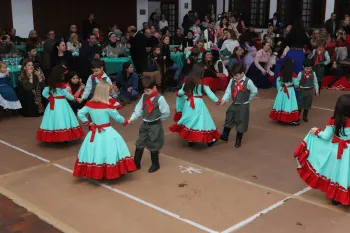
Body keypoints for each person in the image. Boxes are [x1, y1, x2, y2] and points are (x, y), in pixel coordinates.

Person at [73, 81, 136, 180]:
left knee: (95, 152)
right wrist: (126, 121)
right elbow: (118, 118)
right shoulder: (108, 105)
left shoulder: (89, 103)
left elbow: (80, 113)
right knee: (110, 151)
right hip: (107, 131)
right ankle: (109, 173)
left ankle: (97, 173)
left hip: (94, 132)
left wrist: (88, 123)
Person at [294, 94, 350, 206]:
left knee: (338, 173)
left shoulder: (333, 121)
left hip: (337, 152)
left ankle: (337, 197)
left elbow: (325, 136)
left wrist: (316, 131)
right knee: (347, 173)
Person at [169, 64, 221, 147]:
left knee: (189, 119)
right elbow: (210, 93)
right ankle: (210, 140)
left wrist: (178, 94)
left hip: (188, 102)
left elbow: (181, 92)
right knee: (203, 121)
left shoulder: (187, 80)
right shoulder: (203, 81)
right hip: (199, 103)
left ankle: (191, 140)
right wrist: (218, 101)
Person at [128, 76, 170, 173]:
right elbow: (138, 109)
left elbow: (166, 112)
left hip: (155, 124)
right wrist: (132, 118)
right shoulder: (144, 96)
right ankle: (136, 163)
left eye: (148, 91)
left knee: (153, 143)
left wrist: (159, 119)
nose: (146, 93)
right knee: (140, 142)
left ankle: (155, 164)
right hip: (145, 123)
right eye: (145, 90)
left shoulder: (160, 98)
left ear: (154, 88)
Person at [36, 65, 84, 142]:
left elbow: (44, 93)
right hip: (62, 104)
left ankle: (53, 137)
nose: (63, 77)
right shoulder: (62, 85)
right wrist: (76, 99)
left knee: (52, 119)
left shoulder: (50, 84)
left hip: (53, 103)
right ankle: (64, 137)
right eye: (62, 75)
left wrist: (50, 98)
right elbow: (67, 95)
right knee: (63, 118)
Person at [217, 63, 258, 147]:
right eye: (233, 75)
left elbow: (255, 91)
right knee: (229, 117)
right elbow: (228, 91)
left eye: (236, 75)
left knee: (241, 121)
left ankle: (238, 139)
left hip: (243, 105)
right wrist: (224, 99)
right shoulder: (232, 80)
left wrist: (248, 98)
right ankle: (225, 136)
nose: (235, 77)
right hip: (234, 103)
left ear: (242, 73)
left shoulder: (248, 82)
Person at [269, 59, 299, 125]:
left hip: (281, 90)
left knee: (281, 104)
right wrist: (297, 88)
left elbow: (278, 84)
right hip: (290, 90)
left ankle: (280, 118)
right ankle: (288, 119)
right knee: (289, 104)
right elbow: (296, 84)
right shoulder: (293, 74)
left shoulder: (280, 74)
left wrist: (280, 90)